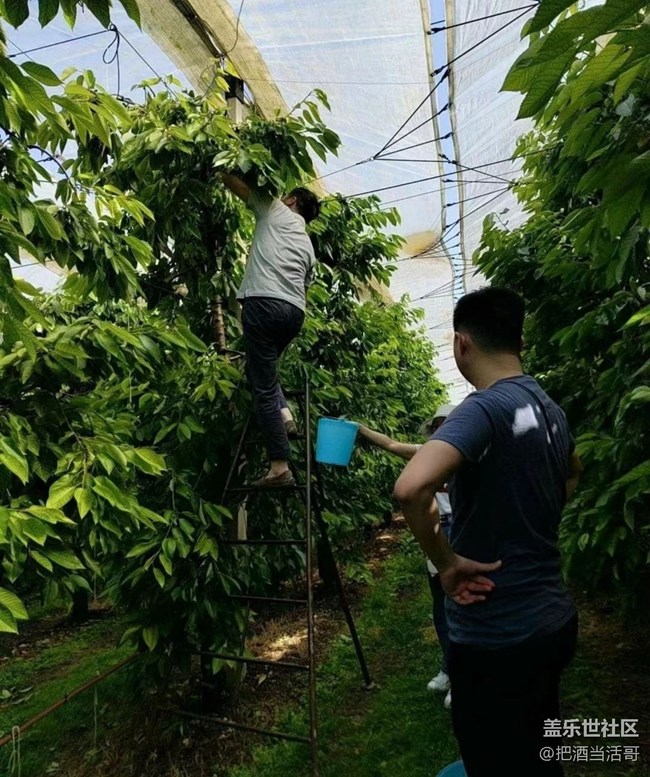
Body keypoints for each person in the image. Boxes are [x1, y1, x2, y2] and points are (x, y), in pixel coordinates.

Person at [393, 287, 582, 777]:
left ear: (461, 344)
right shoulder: (550, 410)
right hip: (552, 620)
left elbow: (412, 489)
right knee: (542, 751)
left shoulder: (481, 408)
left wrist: (449, 563)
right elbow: (573, 472)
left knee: (493, 759)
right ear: (518, 340)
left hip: (497, 631)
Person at [221, 173, 320, 486]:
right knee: (262, 369)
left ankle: (279, 466)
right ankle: (286, 415)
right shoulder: (308, 246)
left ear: (291, 201)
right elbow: (304, 291)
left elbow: (236, 184)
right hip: (293, 314)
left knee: (262, 386)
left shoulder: (275, 209)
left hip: (263, 303)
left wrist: (218, 161)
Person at [358, 406, 457, 709]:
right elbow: (390, 444)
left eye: (447, 424)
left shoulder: (468, 453)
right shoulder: (429, 452)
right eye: (437, 425)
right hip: (437, 527)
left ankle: (464, 676)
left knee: (459, 605)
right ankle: (448, 668)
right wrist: (360, 429)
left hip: (461, 526)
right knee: (441, 604)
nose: (441, 429)